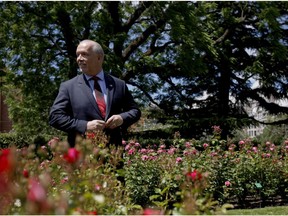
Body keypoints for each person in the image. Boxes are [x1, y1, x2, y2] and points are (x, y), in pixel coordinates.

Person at [49, 39, 141, 147]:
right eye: (77, 55)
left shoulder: (118, 84)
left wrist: (122, 118)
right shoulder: (68, 87)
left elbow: (135, 111)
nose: (79, 59)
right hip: (82, 155)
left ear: (99, 57)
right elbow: (55, 117)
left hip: (113, 155)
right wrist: (85, 126)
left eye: (84, 54)